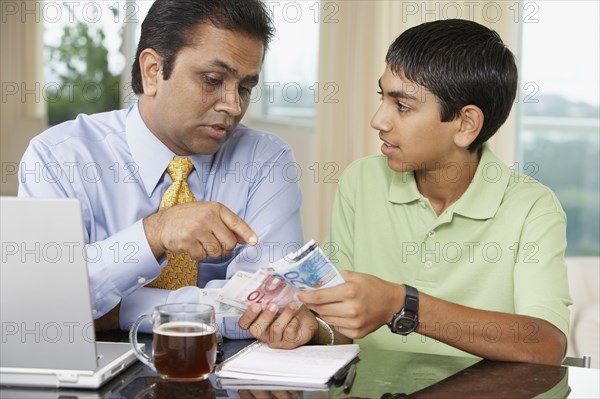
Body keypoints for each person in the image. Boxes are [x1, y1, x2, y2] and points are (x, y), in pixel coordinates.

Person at [239, 19, 571, 365]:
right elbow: (339, 325)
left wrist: (403, 304)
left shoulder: (533, 207)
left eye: (403, 106)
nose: (378, 120)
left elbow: (546, 345)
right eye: (383, 97)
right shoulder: (362, 181)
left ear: (466, 124)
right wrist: (311, 328)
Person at [18, 0, 303, 334]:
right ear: (153, 71)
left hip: (223, 375)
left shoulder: (266, 161)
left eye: (245, 88)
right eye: (212, 80)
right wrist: (154, 233)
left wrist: (122, 309)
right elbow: (39, 302)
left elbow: (270, 308)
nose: (233, 105)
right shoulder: (59, 157)